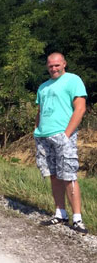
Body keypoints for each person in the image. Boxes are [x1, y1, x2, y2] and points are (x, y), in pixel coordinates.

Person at [34, 52, 88, 233]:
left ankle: (77, 218)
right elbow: (40, 111)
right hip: (44, 136)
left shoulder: (73, 80)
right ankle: (60, 213)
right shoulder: (43, 87)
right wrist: (36, 131)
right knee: (54, 175)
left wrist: (67, 134)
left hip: (63, 135)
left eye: (57, 65)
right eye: (50, 66)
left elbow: (80, 108)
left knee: (69, 176)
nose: (54, 68)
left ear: (64, 64)